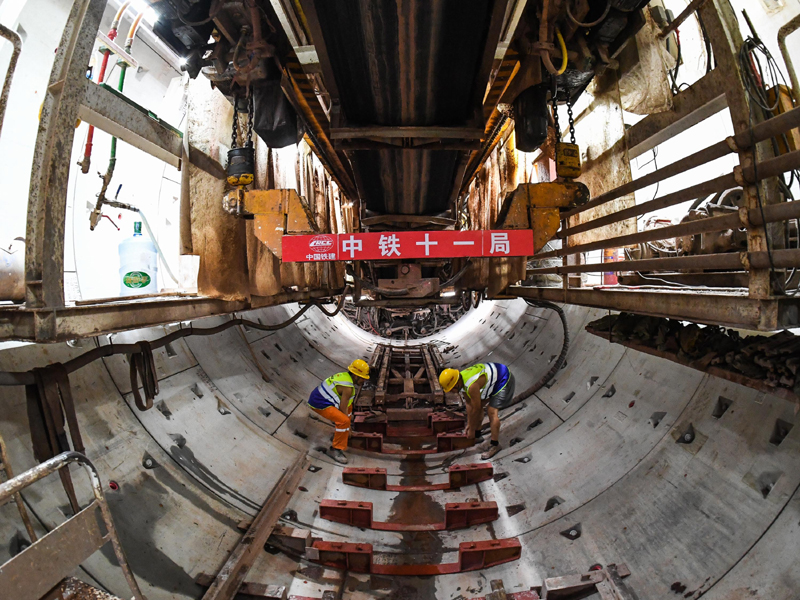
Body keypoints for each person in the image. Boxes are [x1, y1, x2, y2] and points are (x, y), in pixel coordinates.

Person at [439, 362, 515, 460]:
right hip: (494, 379)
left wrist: (471, 429)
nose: (451, 392)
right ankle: (478, 435)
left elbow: (476, 409)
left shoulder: (471, 386)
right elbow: (469, 404)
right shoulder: (462, 380)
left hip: (504, 379)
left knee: (491, 411)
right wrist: (469, 425)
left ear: (456, 384)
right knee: (477, 406)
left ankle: (495, 445)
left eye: (451, 389)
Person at [307, 359, 370, 464]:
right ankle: (335, 449)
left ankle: (342, 433)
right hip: (319, 403)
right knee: (343, 421)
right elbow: (342, 408)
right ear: (356, 376)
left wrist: (347, 430)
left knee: (349, 410)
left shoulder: (346, 377)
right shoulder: (348, 387)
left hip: (322, 398)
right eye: (363, 378)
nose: (364, 381)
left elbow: (347, 406)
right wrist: (347, 426)